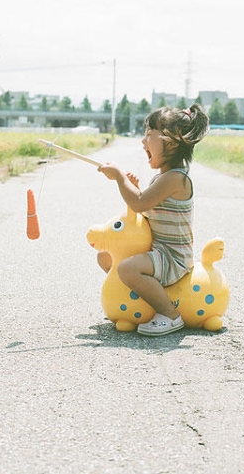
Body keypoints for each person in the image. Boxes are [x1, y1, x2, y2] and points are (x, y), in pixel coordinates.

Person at [98, 104, 210, 336]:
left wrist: (119, 178)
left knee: (127, 268)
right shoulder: (162, 178)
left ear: (171, 143)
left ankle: (170, 315)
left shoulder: (175, 179)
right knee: (105, 256)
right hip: (159, 251)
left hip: (173, 257)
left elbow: (139, 204)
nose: (143, 141)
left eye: (149, 134)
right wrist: (134, 188)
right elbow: (143, 209)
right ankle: (137, 301)